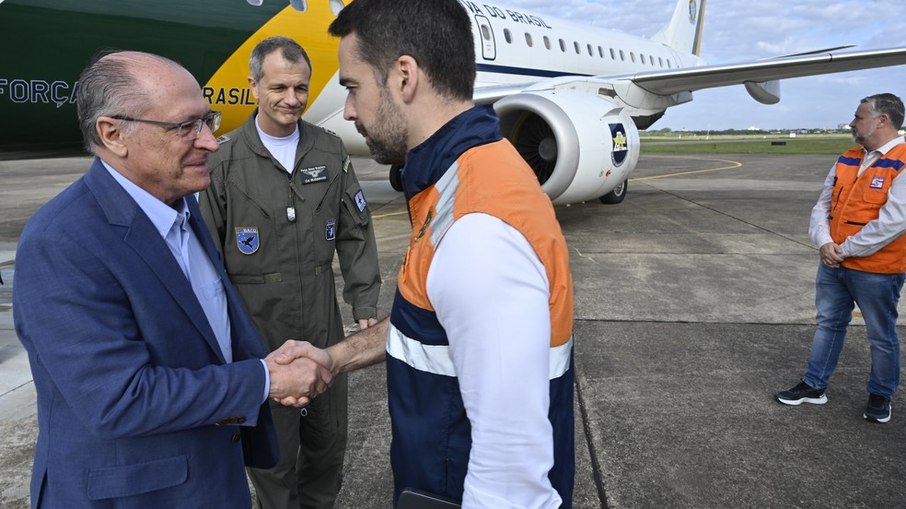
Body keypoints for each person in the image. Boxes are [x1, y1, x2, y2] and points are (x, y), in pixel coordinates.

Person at [274, 0, 576, 506]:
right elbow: (439, 325)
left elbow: (510, 479)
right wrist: (332, 358)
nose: (348, 110)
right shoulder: (463, 176)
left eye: (352, 87)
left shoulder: (478, 228)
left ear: (404, 76)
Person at [12, 50, 331, 507]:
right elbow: (118, 398)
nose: (211, 142)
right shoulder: (61, 242)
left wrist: (261, 361)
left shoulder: (179, 204)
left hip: (209, 481)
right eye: (185, 127)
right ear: (113, 134)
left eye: (208, 120)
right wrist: (264, 380)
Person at [198, 36, 381, 509]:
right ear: (254, 85)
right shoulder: (222, 161)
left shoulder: (329, 150)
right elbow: (205, 258)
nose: (291, 99)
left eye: (301, 88)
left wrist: (363, 301)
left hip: (321, 321)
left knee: (327, 440)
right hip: (258, 331)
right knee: (272, 452)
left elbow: (355, 230)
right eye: (279, 87)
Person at [775, 93, 906, 424]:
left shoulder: (903, 160)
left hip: (877, 269)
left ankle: (880, 394)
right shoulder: (848, 157)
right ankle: (814, 386)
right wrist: (823, 242)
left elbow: (893, 221)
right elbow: (823, 205)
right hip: (833, 262)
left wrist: (842, 249)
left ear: (882, 121)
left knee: (881, 333)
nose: (851, 123)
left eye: (859, 117)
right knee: (829, 324)